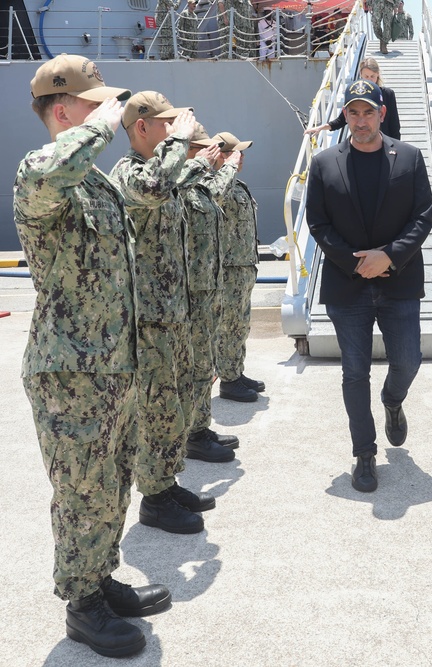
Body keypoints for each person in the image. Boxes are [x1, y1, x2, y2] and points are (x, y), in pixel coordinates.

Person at [14, 54, 170, 658]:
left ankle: (101, 580)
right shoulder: (42, 173)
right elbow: (54, 171)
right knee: (82, 490)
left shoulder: (99, 181)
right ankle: (82, 604)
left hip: (114, 367)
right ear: (62, 111)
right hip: (72, 373)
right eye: (95, 102)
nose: (110, 111)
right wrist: (102, 126)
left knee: (111, 484)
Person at [111, 91, 234, 538]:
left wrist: (202, 155)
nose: (175, 131)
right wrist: (181, 143)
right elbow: (157, 187)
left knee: (174, 407)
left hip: (174, 312)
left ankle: (163, 483)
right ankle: (155, 500)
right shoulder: (131, 175)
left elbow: (185, 183)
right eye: (166, 124)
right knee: (158, 408)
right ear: (142, 128)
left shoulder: (167, 172)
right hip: (149, 320)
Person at [305, 79, 432, 492]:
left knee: (408, 361)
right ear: (345, 116)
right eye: (353, 113)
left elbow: (422, 217)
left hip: (398, 281)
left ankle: (393, 401)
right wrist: (355, 263)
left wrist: (389, 257)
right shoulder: (325, 163)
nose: (361, 121)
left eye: (369, 112)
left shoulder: (410, 158)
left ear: (382, 113)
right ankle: (364, 453)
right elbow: (317, 221)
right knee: (354, 372)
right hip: (348, 285)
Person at [180, 125, 245, 454]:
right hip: (190, 294)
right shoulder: (179, 183)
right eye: (203, 147)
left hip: (208, 290)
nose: (210, 152)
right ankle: (192, 435)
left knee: (203, 365)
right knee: (193, 368)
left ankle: (200, 428)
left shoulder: (197, 184)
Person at [214, 130, 265, 403]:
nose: (241, 157)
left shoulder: (236, 184)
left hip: (243, 265)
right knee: (229, 325)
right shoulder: (216, 183)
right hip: (229, 268)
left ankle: (236, 371)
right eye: (235, 152)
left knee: (241, 324)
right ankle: (228, 381)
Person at [305, 58, 401, 140]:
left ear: (378, 75)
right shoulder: (354, 95)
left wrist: (396, 149)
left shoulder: (388, 94)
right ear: (361, 75)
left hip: (385, 144)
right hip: (362, 143)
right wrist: (322, 127)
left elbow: (394, 125)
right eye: (366, 76)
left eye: (372, 76)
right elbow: (341, 120)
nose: (369, 79)